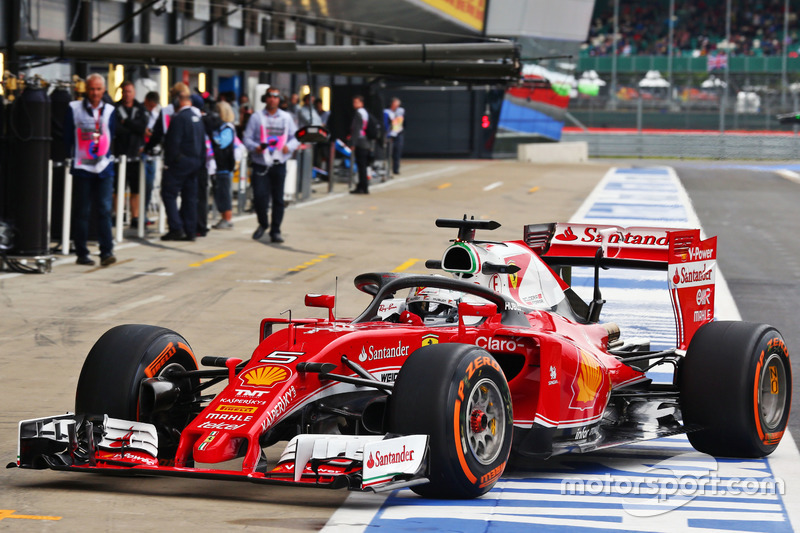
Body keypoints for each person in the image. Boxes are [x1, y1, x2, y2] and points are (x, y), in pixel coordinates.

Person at [64, 73, 117, 266]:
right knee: (82, 211)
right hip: (82, 167)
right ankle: (82, 252)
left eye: (98, 89)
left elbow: (112, 135)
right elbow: (67, 136)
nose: (95, 93)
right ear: (86, 89)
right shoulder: (74, 108)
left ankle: (106, 251)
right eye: (92, 89)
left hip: (103, 166)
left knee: (104, 209)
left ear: (104, 90)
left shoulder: (110, 110)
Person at [242, 88, 298, 243]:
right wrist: (256, 147)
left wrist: (290, 146)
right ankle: (263, 223)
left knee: (278, 199)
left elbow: (296, 137)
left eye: (276, 97)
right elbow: (247, 138)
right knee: (260, 196)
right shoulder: (256, 117)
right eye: (270, 96)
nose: (273, 99)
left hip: (279, 163)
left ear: (279, 99)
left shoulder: (286, 118)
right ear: (265, 99)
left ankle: (276, 230)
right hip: (261, 163)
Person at [160, 83, 206, 242]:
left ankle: (176, 227)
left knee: (168, 194)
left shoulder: (179, 118)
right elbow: (202, 143)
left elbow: (172, 143)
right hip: (195, 163)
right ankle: (190, 230)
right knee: (190, 197)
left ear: (178, 99)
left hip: (180, 163)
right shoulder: (197, 118)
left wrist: (170, 162)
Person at [113, 80, 148, 227]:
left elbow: (142, 127)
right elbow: (115, 128)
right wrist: (133, 128)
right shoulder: (116, 108)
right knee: (117, 188)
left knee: (135, 188)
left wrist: (126, 122)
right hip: (119, 153)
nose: (127, 94)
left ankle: (135, 217)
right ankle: (117, 215)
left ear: (134, 93)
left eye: (129, 91)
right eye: (125, 91)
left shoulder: (140, 109)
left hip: (135, 154)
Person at [206, 101, 237, 229]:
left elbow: (222, 144)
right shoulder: (218, 127)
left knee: (224, 192)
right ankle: (223, 216)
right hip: (217, 165)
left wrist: (212, 141)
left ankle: (227, 218)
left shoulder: (227, 128)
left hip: (224, 165)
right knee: (219, 192)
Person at [142, 91, 161, 224]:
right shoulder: (141, 112)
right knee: (141, 187)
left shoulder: (157, 114)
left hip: (152, 153)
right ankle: (139, 215)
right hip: (142, 153)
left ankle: (143, 214)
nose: (151, 108)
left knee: (149, 186)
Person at [349, 95, 371, 194]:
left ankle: (362, 186)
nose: (354, 104)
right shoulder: (365, 112)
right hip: (365, 141)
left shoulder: (359, 113)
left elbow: (356, 129)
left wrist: (352, 143)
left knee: (361, 166)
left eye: (356, 102)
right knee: (363, 166)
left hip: (360, 142)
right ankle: (364, 186)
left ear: (361, 103)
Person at [384, 97, 405, 175]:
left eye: (398, 105)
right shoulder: (387, 112)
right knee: (388, 152)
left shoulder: (400, 111)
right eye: (395, 105)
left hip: (398, 134)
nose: (396, 107)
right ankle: (386, 169)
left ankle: (396, 169)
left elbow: (402, 123)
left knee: (397, 152)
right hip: (390, 134)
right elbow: (386, 124)